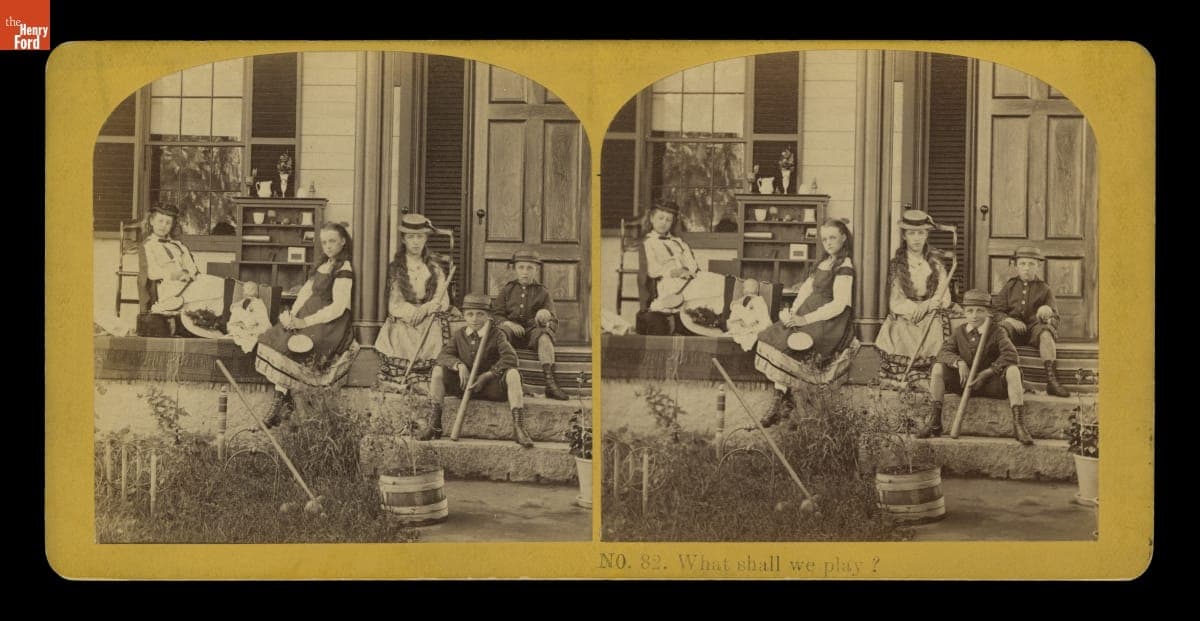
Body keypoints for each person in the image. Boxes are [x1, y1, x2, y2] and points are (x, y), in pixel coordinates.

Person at [755, 219, 858, 427]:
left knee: (798, 344)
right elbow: (805, 290)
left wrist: (805, 319)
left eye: (832, 238)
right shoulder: (823, 262)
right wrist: (793, 312)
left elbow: (839, 305)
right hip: (807, 312)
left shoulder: (845, 266)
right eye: (824, 239)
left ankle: (790, 405)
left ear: (844, 237)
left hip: (827, 320)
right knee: (774, 335)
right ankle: (780, 400)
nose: (828, 242)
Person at [255, 222, 358, 427]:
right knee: (275, 338)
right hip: (307, 315)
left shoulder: (344, 268)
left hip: (328, 322)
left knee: (298, 348)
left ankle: (282, 404)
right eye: (324, 242)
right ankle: (281, 401)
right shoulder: (323, 264)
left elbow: (338, 307)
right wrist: (292, 315)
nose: (328, 246)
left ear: (343, 241)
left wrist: (305, 321)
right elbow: (305, 293)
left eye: (332, 241)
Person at [920, 289, 1032, 445]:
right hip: (964, 383)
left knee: (1013, 371)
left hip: (989, 384)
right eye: (970, 311)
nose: (974, 315)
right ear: (964, 313)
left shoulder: (997, 331)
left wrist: (988, 372)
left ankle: (1019, 425)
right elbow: (943, 353)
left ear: (988, 313)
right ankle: (934, 422)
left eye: (980, 311)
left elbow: (1011, 355)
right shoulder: (959, 332)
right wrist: (958, 362)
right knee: (938, 368)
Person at [431, 293, 533, 447]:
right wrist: (459, 365)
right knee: (438, 371)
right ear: (464, 315)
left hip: (490, 387)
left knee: (513, 374)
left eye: (480, 314)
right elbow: (443, 355)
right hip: (464, 386)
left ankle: (519, 428)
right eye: (470, 314)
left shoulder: (497, 334)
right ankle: (434, 425)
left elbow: (511, 358)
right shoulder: (459, 335)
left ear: (488, 316)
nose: (474, 319)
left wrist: (488, 375)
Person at [875, 210, 956, 390]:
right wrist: (913, 308)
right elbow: (896, 300)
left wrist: (928, 305)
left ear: (927, 234)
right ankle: (904, 376)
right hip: (907, 311)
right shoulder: (898, 265)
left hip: (931, 310)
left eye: (921, 233)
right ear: (904, 236)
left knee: (933, 327)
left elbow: (944, 295)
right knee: (902, 327)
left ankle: (927, 376)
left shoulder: (936, 263)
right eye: (911, 233)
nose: (916, 238)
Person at [375, 214, 453, 393]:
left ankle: (426, 380)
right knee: (401, 331)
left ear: (425, 238)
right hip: (405, 316)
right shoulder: (397, 268)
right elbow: (395, 303)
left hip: (429, 315)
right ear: (404, 239)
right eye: (411, 237)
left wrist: (426, 308)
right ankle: (402, 378)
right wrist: (412, 312)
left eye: (420, 237)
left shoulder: (434, 267)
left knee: (433, 329)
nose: (416, 242)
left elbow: (443, 299)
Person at [993, 246, 1071, 397]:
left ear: (1038, 266)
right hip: (1014, 329)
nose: (1026, 268)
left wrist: (1047, 317)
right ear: (1016, 266)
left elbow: (1055, 318)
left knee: (1046, 334)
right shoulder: (1010, 286)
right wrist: (1008, 319)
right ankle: (1002, 376)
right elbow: (996, 311)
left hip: (1035, 329)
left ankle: (1051, 380)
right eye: (1022, 264)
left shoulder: (1044, 289)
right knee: (1001, 329)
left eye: (1031, 264)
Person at [492, 249, 569, 400]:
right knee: (500, 333)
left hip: (533, 330)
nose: (525, 272)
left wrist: (543, 319)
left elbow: (552, 318)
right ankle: (499, 380)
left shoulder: (542, 292)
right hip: (512, 332)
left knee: (544, 337)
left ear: (536, 270)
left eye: (530, 268)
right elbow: (496, 314)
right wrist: (508, 323)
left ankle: (550, 383)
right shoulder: (508, 289)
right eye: (521, 267)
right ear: (515, 269)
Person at [642, 199, 726, 315]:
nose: (663, 223)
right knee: (709, 290)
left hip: (688, 278)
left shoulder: (678, 242)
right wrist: (675, 272)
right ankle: (668, 306)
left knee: (722, 282)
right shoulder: (649, 242)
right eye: (660, 218)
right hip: (668, 282)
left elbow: (692, 264)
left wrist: (688, 271)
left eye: (668, 220)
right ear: (652, 219)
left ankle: (710, 318)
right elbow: (652, 270)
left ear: (672, 223)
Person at [142, 203, 226, 315]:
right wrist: (174, 274)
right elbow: (152, 272)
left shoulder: (178, 245)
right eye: (160, 221)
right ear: (152, 221)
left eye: (168, 223)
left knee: (222, 284)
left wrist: (190, 274)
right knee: (214, 290)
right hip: (168, 286)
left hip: (186, 283)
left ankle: (207, 321)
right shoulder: (148, 245)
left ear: (172, 226)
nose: (163, 226)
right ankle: (170, 308)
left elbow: (191, 268)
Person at [725, 278, 771, 351]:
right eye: (744, 287)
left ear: (757, 289)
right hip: (741, 323)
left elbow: (762, 315)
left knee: (757, 328)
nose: (745, 289)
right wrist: (736, 305)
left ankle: (748, 324)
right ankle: (743, 326)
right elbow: (734, 307)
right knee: (737, 309)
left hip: (753, 323)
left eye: (751, 286)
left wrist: (751, 320)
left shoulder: (759, 300)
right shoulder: (741, 300)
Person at [227, 281, 270, 353]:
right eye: (244, 289)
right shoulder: (240, 303)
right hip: (239, 329)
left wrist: (248, 326)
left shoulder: (258, 303)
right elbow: (235, 316)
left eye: (247, 289)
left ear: (254, 290)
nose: (244, 292)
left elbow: (263, 322)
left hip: (253, 329)